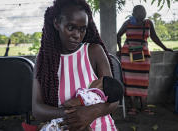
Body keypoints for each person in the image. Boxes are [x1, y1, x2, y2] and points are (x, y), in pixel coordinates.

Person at [31, 0, 120, 130]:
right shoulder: (44, 60)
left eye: (82, 29)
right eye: (71, 28)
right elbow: (37, 109)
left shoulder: (94, 52)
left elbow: (114, 99)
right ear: (57, 23)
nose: (77, 35)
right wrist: (73, 116)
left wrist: (91, 112)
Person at [117, 5, 173, 115]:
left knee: (143, 81)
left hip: (143, 56)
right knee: (130, 81)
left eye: (144, 11)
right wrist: (120, 49)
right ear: (133, 13)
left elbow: (154, 37)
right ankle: (132, 107)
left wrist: (164, 48)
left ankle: (144, 106)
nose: (143, 13)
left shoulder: (148, 23)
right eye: (139, 11)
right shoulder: (127, 23)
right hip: (128, 56)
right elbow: (118, 35)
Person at [39, 76, 123, 131]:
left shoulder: (90, 95)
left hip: (69, 122)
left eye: (97, 80)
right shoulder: (102, 101)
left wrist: (64, 105)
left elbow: (71, 103)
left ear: (99, 86)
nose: (94, 80)